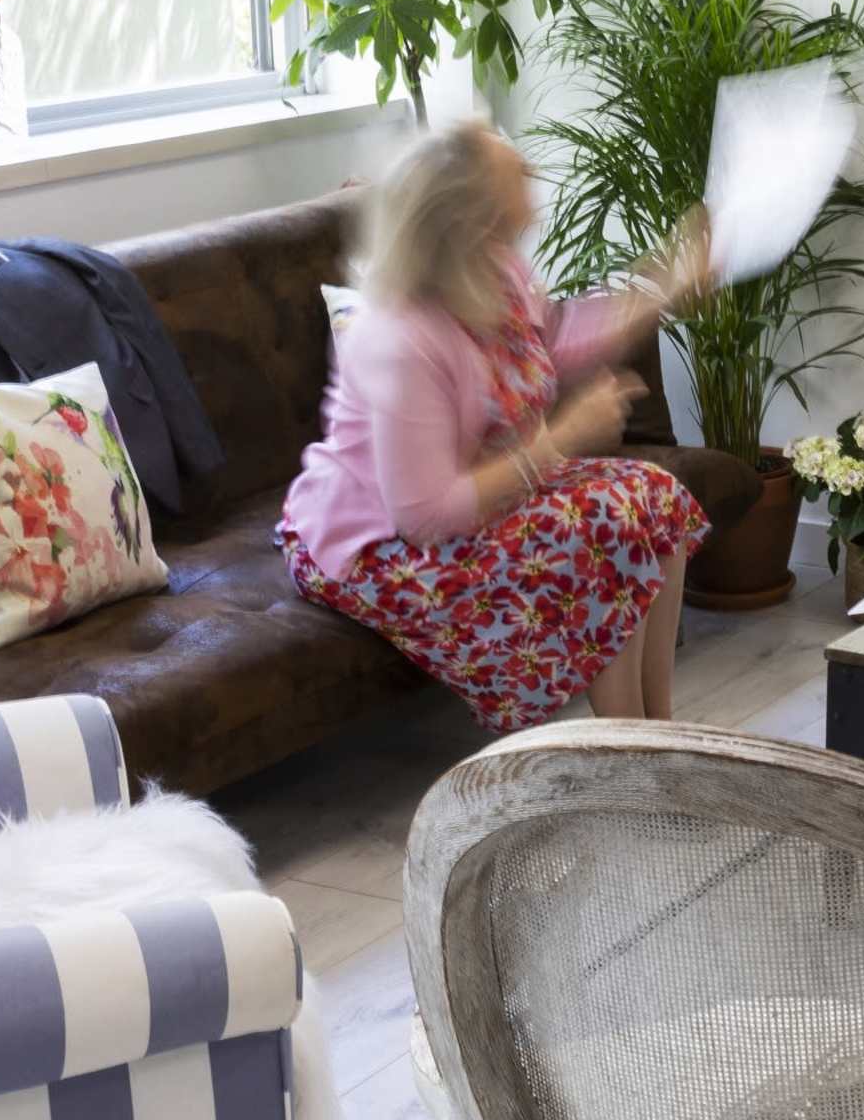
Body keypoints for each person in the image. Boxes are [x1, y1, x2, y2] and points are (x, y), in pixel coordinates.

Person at [281, 121, 715, 727]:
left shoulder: (497, 270)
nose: (534, 181)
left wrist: (665, 288)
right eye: (520, 176)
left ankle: (659, 731)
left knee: (655, 496)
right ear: (480, 216)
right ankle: (632, 753)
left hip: (476, 490)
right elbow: (425, 517)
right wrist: (561, 440)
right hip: (376, 546)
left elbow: (557, 345)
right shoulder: (402, 336)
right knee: (604, 525)